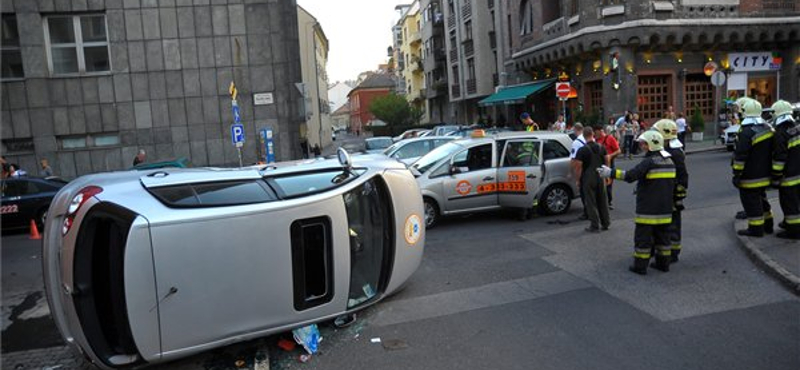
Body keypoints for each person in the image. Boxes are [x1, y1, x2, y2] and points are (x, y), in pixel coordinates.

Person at [598, 131, 676, 274]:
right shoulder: (670, 161)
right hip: (665, 210)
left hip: (648, 210)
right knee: (663, 239)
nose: (641, 146)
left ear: (651, 145)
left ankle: (640, 267)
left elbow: (630, 176)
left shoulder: (649, 162)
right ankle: (663, 264)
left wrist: (610, 173)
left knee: (643, 240)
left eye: (644, 143)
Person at [732, 98, 774, 237]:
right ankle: (768, 224)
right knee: (762, 199)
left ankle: (755, 230)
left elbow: (740, 156)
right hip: (766, 174)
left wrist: (736, 174)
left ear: (744, 112)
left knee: (752, 203)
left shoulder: (745, 132)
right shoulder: (768, 128)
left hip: (750, 177)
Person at [652, 119, 689, 261]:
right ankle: (669, 250)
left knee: (671, 225)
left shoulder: (672, 153)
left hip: (670, 195)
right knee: (670, 224)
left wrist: (676, 196)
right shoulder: (674, 150)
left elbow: (682, 176)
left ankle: (672, 253)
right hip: (670, 194)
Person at [770, 100, 800, 239]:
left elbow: (779, 160)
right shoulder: (798, 128)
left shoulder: (780, 133)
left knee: (790, 205)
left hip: (789, 178)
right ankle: (790, 224)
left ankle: (793, 231)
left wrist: (776, 177)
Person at [574, 127, 610, 232]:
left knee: (590, 201)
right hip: (600, 175)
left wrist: (578, 180)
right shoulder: (601, 147)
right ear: (593, 134)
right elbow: (607, 159)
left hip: (588, 177)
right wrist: (607, 174)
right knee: (603, 200)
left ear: (584, 136)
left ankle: (594, 225)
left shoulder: (582, 150)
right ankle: (606, 223)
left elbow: (578, 166)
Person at [595, 125, 621, 209]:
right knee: (599, 184)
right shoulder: (595, 140)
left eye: (596, 133)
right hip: (599, 163)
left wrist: (610, 155)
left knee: (608, 183)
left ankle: (608, 202)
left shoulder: (610, 138)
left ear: (600, 131)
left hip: (609, 163)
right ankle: (601, 202)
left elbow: (618, 150)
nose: (595, 135)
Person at [570, 123, 587, 220]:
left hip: (583, 170)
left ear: (576, 130)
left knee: (584, 193)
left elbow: (574, 161)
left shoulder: (576, 142)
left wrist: (574, 176)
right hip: (592, 169)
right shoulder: (589, 139)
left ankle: (587, 213)